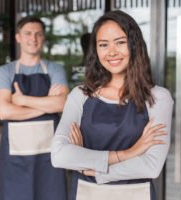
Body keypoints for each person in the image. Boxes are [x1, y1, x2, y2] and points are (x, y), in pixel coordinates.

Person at [51, 10, 173, 200]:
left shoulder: (158, 98)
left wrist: (90, 164)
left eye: (120, 42)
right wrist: (129, 153)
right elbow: (59, 155)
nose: (112, 52)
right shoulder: (80, 95)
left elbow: (151, 165)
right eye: (103, 45)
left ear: (134, 45)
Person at [0, 16, 69, 200]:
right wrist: (46, 105)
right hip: (16, 157)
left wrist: (21, 99)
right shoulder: (5, 72)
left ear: (43, 38)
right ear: (18, 37)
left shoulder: (55, 69)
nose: (33, 38)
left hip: (50, 155)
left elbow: (61, 104)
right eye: (27, 33)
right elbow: (3, 111)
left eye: (38, 34)